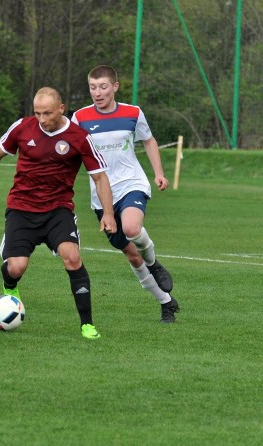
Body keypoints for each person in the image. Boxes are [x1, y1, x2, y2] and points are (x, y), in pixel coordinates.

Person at [0, 87, 117, 340]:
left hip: (58, 210)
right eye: (37, 113)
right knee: (16, 267)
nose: (42, 119)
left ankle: (87, 324)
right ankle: (10, 286)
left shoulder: (79, 137)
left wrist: (108, 213)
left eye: (47, 113)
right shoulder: (23, 127)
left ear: (61, 109)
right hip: (21, 208)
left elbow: (100, 177)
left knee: (72, 258)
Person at [71, 65, 179, 323]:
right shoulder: (80, 118)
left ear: (115, 87)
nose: (97, 92)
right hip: (101, 195)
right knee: (131, 254)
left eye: (103, 87)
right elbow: (72, 154)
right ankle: (166, 303)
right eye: (93, 87)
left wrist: (159, 173)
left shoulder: (133, 112)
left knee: (132, 228)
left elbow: (149, 140)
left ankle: (154, 264)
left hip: (132, 183)